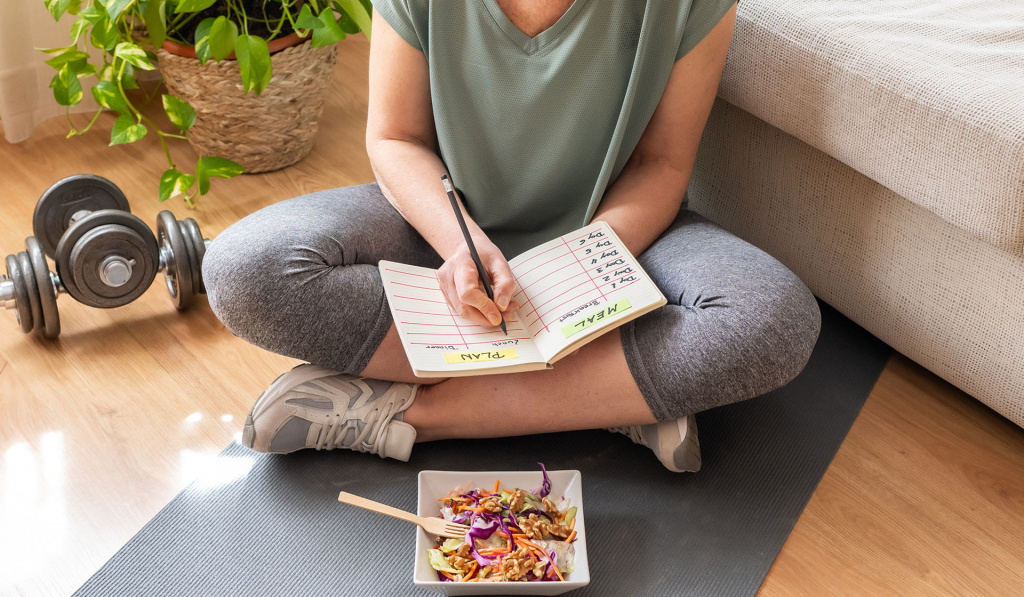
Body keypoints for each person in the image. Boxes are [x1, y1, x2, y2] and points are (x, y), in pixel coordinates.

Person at [202, 0, 821, 473]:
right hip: (447, 232)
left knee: (773, 320)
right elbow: (396, 139)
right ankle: (610, 399)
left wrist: (572, 277)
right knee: (245, 269)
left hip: (618, 238)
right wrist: (459, 244)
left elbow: (660, 165)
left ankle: (407, 415)